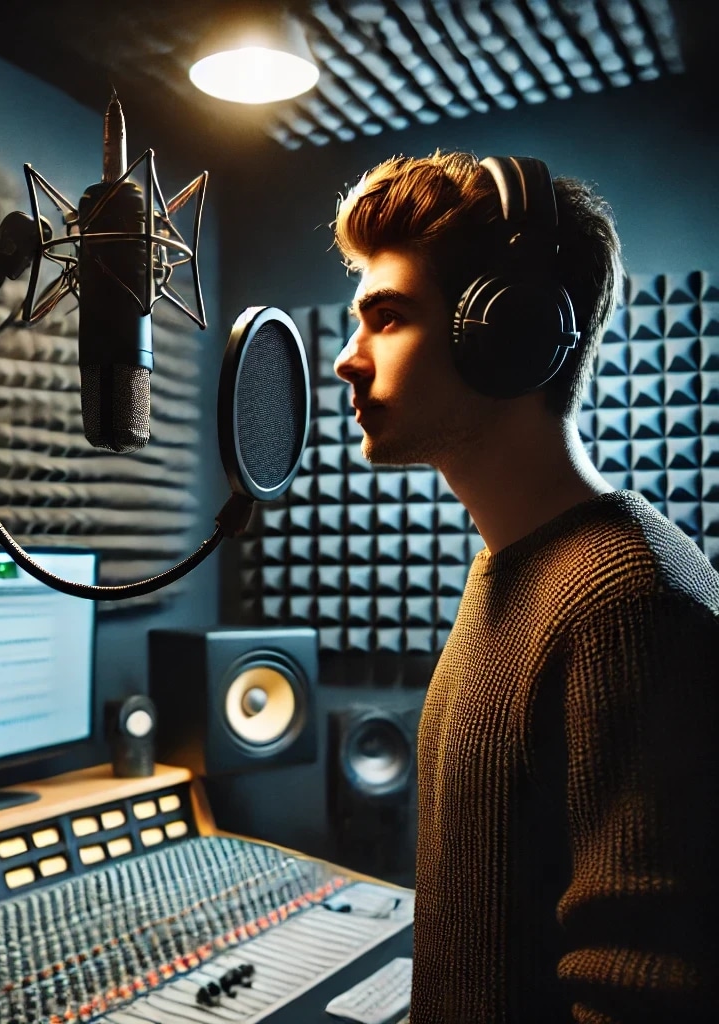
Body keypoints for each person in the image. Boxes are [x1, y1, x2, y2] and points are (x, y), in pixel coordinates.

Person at [331, 151, 719, 1023]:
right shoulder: (522, 575)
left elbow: (647, 994)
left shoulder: (628, 603)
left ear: (508, 333)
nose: (347, 361)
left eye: (386, 318)